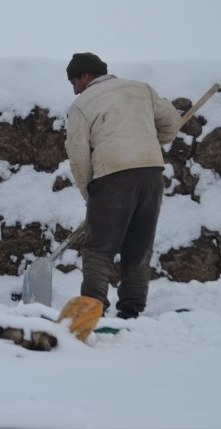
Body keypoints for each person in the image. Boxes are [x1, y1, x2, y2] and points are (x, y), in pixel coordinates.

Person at [64, 52, 181, 319]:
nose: (73, 89)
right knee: (139, 245)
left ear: (85, 76)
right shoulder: (141, 89)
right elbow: (172, 124)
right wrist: (148, 139)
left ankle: (92, 308)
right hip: (151, 173)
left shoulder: (82, 105)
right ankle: (131, 308)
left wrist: (89, 192)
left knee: (99, 248)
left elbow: (78, 155)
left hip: (112, 177)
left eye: (73, 82)